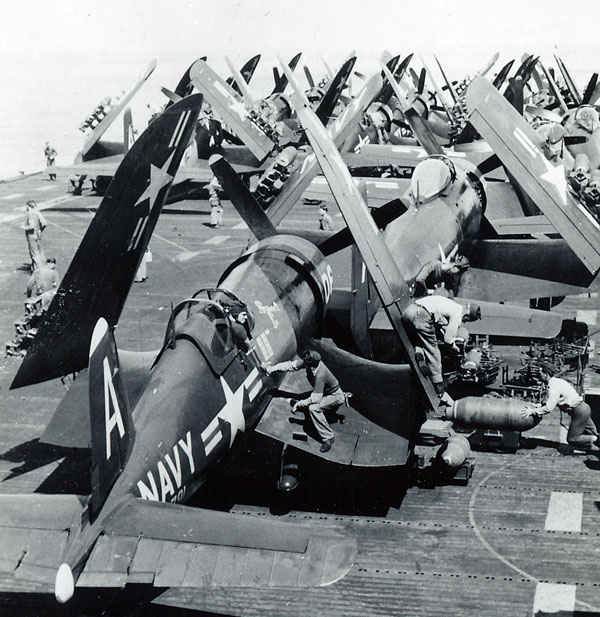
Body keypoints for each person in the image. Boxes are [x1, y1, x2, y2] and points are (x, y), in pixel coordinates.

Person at [402, 296, 481, 405]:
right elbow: (448, 339)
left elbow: (440, 324)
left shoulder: (452, 305)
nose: (465, 322)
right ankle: (439, 388)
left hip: (408, 312)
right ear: (467, 316)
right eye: (466, 320)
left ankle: (419, 351)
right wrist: (454, 347)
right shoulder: (458, 314)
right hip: (421, 315)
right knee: (433, 350)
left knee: (422, 338)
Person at [265, 349, 343, 452]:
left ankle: (328, 438)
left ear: (312, 363)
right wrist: (272, 369)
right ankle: (326, 413)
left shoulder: (320, 374)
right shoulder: (309, 362)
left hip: (335, 396)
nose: (303, 362)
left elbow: (315, 398)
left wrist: (298, 404)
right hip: (324, 392)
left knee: (313, 408)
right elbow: (291, 366)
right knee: (309, 403)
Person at [536, 363, 599, 452]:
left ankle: (594, 441)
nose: (539, 376)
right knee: (593, 432)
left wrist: (533, 411)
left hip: (579, 411)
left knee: (572, 439)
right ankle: (595, 442)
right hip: (584, 407)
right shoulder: (558, 381)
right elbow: (548, 401)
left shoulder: (553, 386)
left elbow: (549, 408)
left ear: (546, 374)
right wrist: (539, 406)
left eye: (540, 373)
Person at [23, 200, 46, 271]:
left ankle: (37, 269)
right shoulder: (38, 213)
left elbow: (31, 226)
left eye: (27, 207)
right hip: (38, 235)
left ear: (29, 206)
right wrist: (40, 230)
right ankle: (42, 266)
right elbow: (44, 223)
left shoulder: (30, 214)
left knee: (33, 252)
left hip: (31, 235)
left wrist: (24, 227)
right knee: (40, 251)